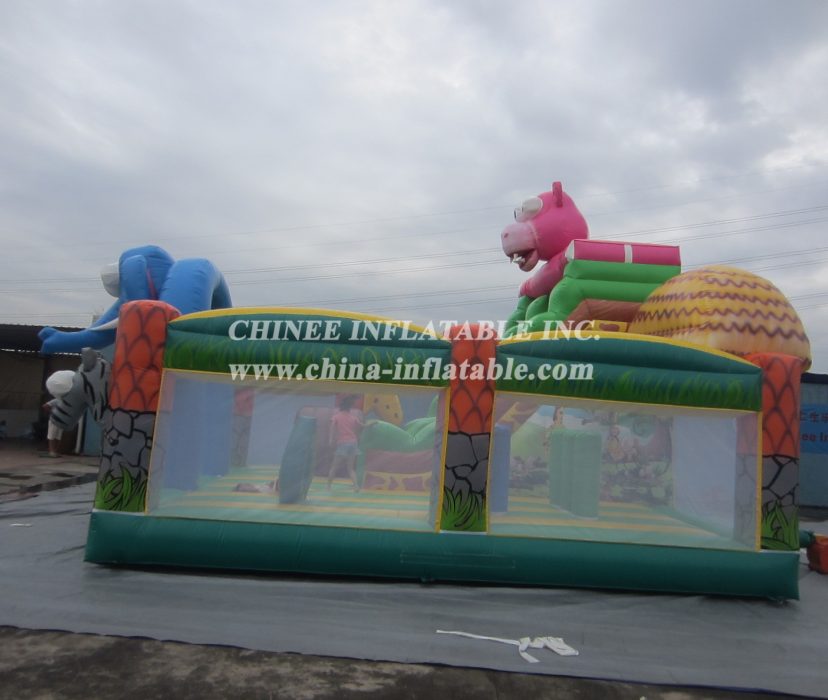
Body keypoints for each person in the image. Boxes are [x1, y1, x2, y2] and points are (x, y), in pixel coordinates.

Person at [327, 395, 365, 491]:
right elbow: (362, 426)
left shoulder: (337, 416)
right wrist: (370, 424)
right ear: (349, 407)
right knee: (350, 468)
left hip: (343, 443)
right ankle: (356, 486)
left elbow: (332, 428)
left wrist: (330, 440)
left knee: (334, 466)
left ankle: (328, 486)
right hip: (353, 443)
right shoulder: (353, 417)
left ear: (341, 406)